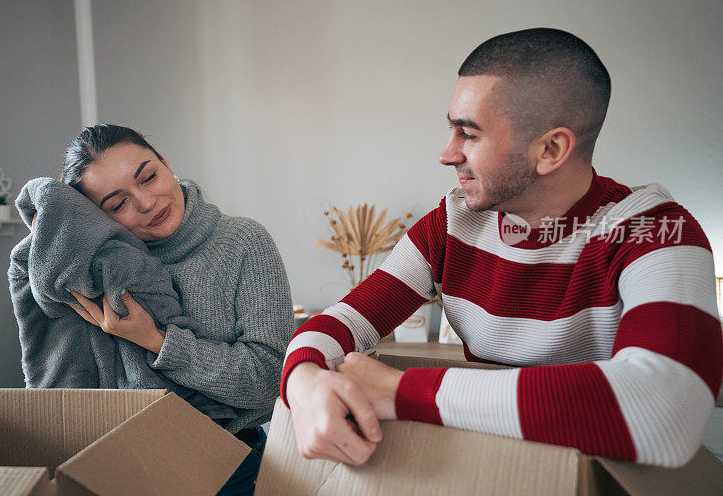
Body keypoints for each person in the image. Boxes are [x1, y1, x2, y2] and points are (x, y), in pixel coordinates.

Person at [281, 28, 722, 468]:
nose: (446, 154)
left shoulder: (657, 233)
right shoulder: (450, 226)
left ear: (550, 149)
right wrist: (303, 381)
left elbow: (666, 410)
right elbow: (342, 321)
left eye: (468, 134)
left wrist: (397, 392)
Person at [24, 124, 294, 495]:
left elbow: (267, 382)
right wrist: (50, 239)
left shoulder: (244, 242)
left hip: (230, 461)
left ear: (165, 163)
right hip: (124, 465)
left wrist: (156, 340)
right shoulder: (104, 268)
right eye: (118, 204)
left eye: (148, 177)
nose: (147, 203)